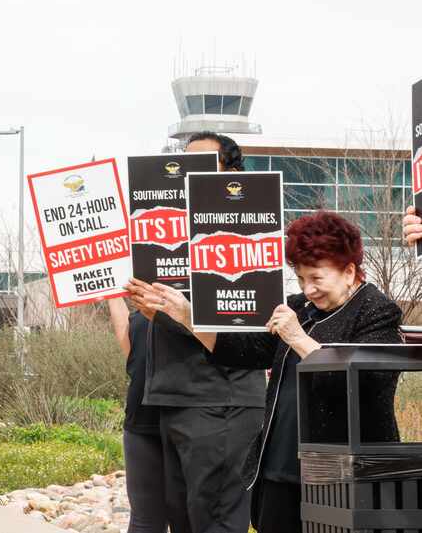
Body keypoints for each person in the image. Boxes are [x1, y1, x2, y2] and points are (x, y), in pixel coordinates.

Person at [130, 211, 402, 532]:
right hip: (280, 468)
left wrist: (299, 338)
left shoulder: (377, 311)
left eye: (317, 278)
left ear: (349, 271)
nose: (308, 289)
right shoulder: (299, 307)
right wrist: (188, 317)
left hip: (342, 474)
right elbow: (243, 349)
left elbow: (367, 382)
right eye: (301, 279)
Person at [126, 132, 266, 533]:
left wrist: (170, 314)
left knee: (214, 517)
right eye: (185, 164)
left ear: (231, 174)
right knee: (184, 518)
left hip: (220, 399)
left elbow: (244, 324)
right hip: (174, 398)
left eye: (204, 165)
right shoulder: (164, 238)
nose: (190, 174)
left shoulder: (246, 233)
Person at [107, 298, 167, 533]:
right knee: (145, 520)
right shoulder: (142, 314)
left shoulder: (194, 304)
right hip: (141, 422)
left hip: (189, 421)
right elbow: (130, 348)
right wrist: (111, 293)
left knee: (189, 515)